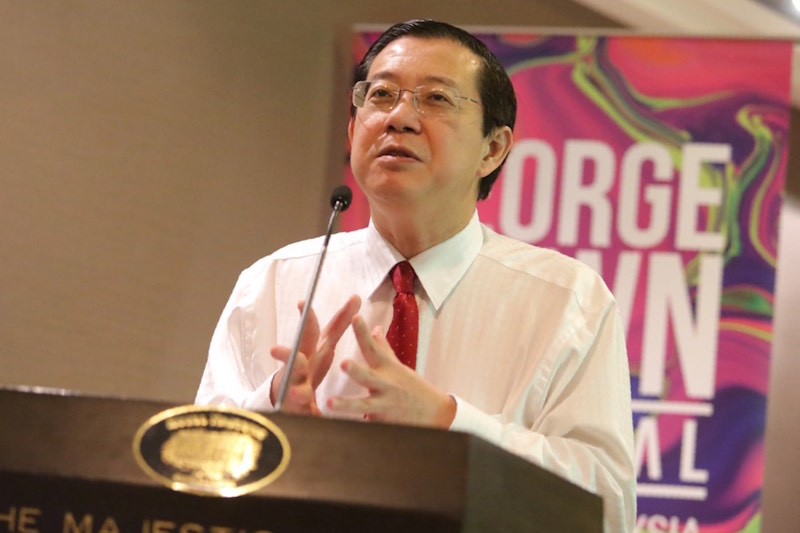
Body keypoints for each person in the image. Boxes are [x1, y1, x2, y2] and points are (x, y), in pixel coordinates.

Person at [196, 19, 635, 532]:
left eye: (436, 99)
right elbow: (191, 472)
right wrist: (269, 416)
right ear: (353, 129)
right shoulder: (273, 284)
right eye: (380, 95)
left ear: (493, 150)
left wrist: (450, 423)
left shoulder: (567, 301)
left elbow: (608, 506)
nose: (399, 117)